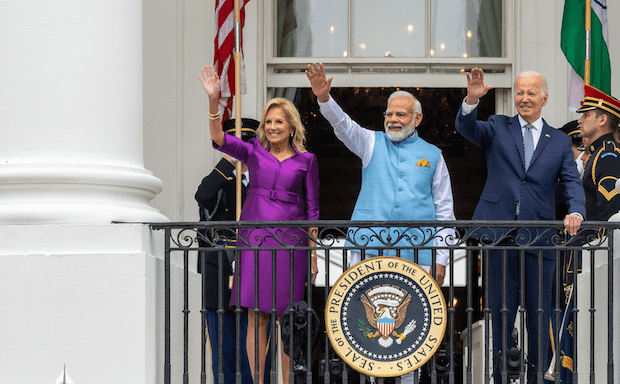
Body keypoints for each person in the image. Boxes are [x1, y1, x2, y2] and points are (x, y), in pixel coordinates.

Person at [306, 62, 455, 384]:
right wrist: (324, 99)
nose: (393, 119)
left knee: (413, 327)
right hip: (368, 251)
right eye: (389, 114)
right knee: (367, 328)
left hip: (417, 255)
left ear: (417, 119)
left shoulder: (433, 154)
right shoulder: (371, 143)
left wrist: (441, 259)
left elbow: (445, 212)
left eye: (401, 114)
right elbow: (343, 126)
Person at [454, 67, 585, 384]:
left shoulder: (560, 141)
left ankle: (538, 378)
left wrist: (577, 212)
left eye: (531, 93)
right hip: (500, 235)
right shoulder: (498, 126)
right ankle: (500, 378)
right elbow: (466, 127)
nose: (524, 99)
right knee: (500, 313)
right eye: (519, 92)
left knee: (539, 315)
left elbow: (570, 182)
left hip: (540, 235)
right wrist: (472, 99)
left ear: (544, 98)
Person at [198, 65, 320, 384]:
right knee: (256, 316)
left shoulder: (307, 161)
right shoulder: (253, 153)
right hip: (254, 240)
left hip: (291, 242)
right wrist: (214, 102)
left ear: (291, 126)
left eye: (279, 121)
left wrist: (313, 254)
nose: (273, 126)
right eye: (269, 122)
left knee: (287, 318)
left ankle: (285, 381)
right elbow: (217, 138)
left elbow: (312, 209)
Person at [196, 118, 261, 384]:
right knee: (223, 349)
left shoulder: (260, 180)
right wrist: (227, 160)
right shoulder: (218, 179)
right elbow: (203, 196)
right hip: (220, 273)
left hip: (254, 271)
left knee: (254, 349)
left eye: (243, 144)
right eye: (234, 144)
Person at [576, 85, 620, 222]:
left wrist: (599, 242)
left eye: (585, 115)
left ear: (602, 120)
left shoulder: (609, 155)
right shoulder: (599, 153)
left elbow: (609, 211)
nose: (579, 121)